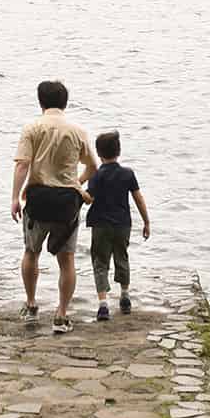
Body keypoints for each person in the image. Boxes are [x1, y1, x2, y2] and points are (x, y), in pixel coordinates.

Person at [11, 79, 97, 335]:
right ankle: (61, 314)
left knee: (31, 252)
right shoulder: (77, 131)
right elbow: (93, 167)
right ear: (65, 102)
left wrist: (15, 198)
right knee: (67, 259)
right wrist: (75, 183)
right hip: (67, 203)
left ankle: (31, 303)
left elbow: (22, 165)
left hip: (37, 198)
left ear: (41, 101)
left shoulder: (32, 128)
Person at [82, 129, 150, 320]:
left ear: (99, 153)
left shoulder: (97, 175)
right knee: (122, 257)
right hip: (122, 225)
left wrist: (78, 189)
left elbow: (89, 199)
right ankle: (125, 296)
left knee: (100, 262)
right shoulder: (127, 174)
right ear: (118, 151)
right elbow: (138, 199)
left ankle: (103, 305)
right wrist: (146, 221)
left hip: (101, 225)